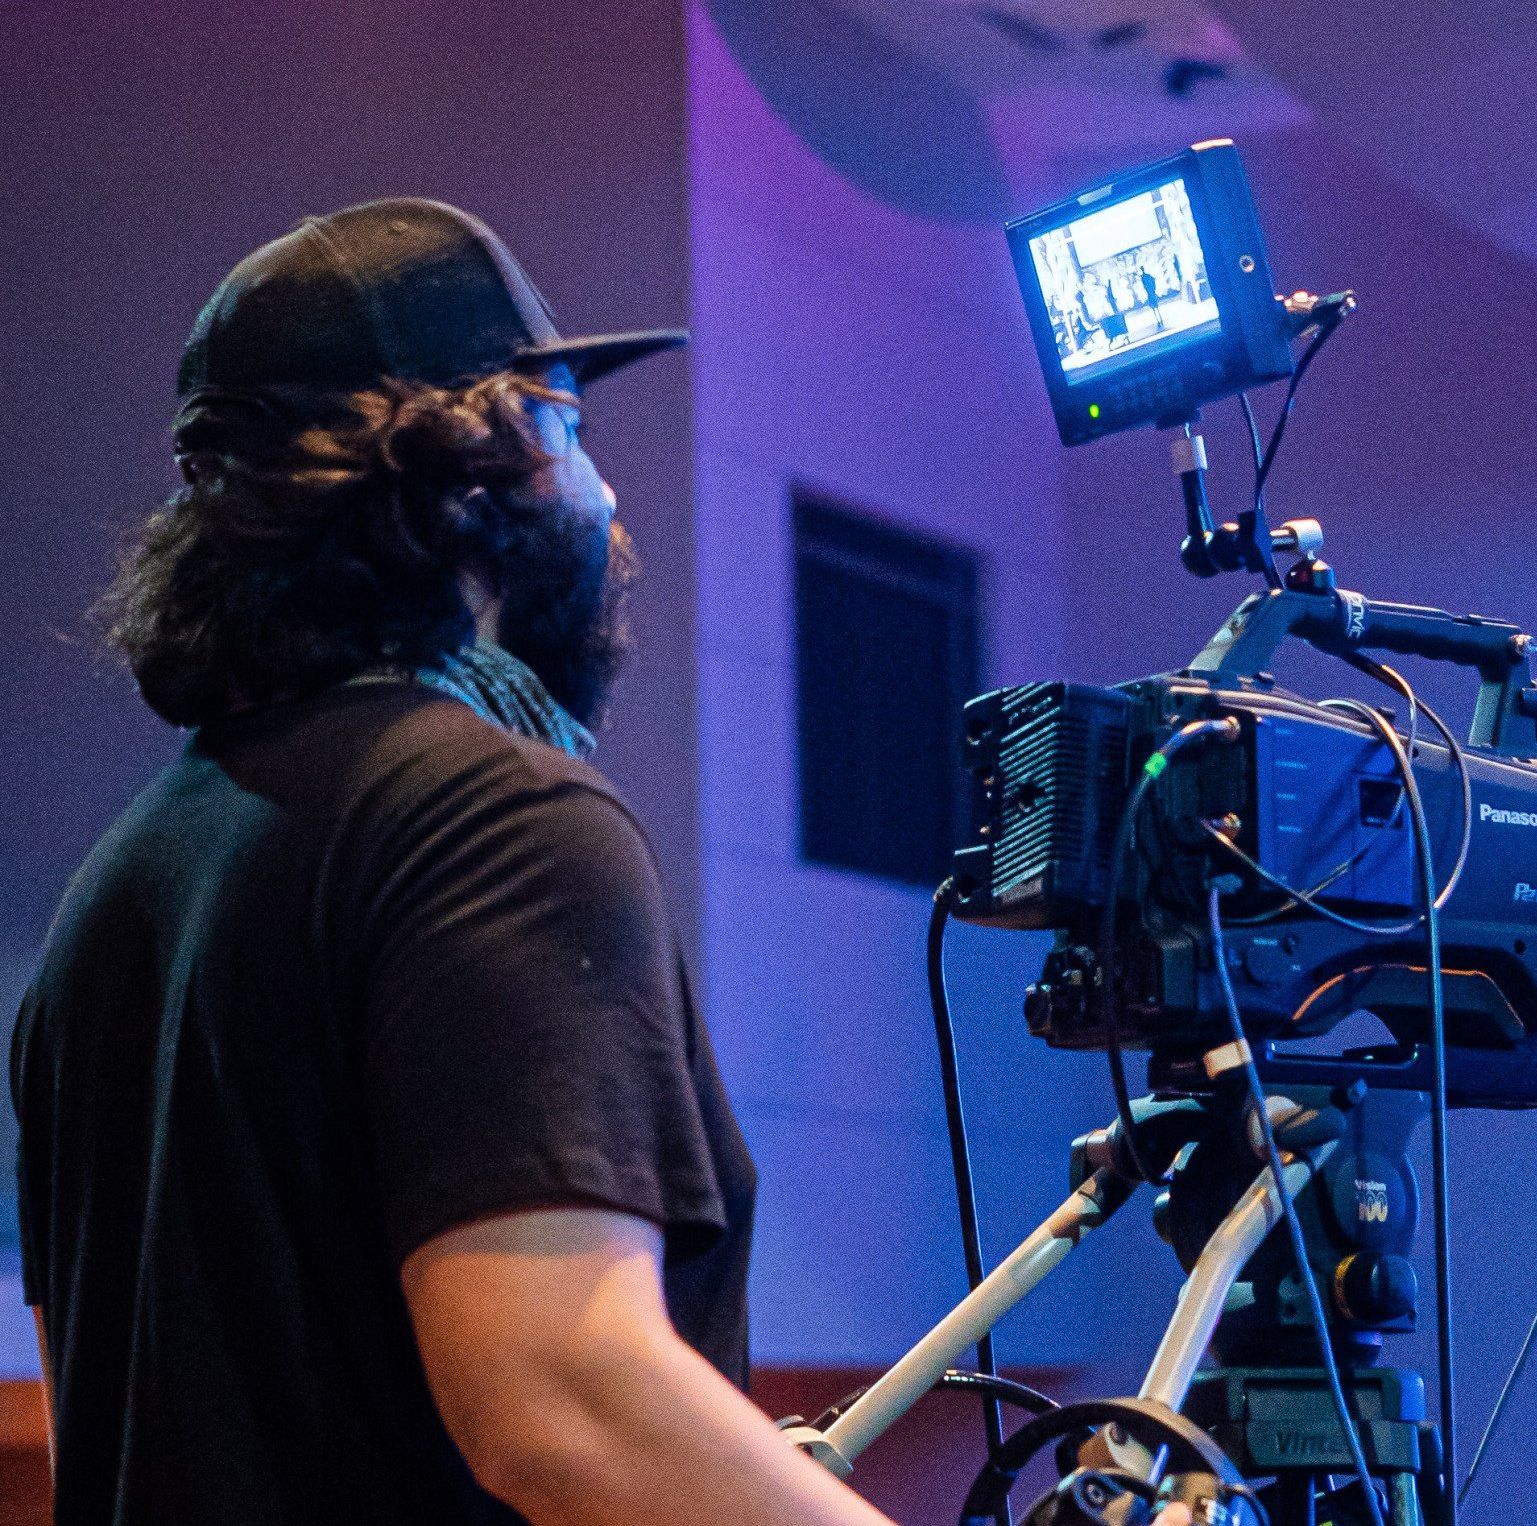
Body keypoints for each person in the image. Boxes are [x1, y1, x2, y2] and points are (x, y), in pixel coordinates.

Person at [8, 199, 895, 1526]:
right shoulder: (494, 824)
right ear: (494, 463)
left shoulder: (118, 892)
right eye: (572, 428)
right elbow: (563, 1402)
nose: (606, 492)